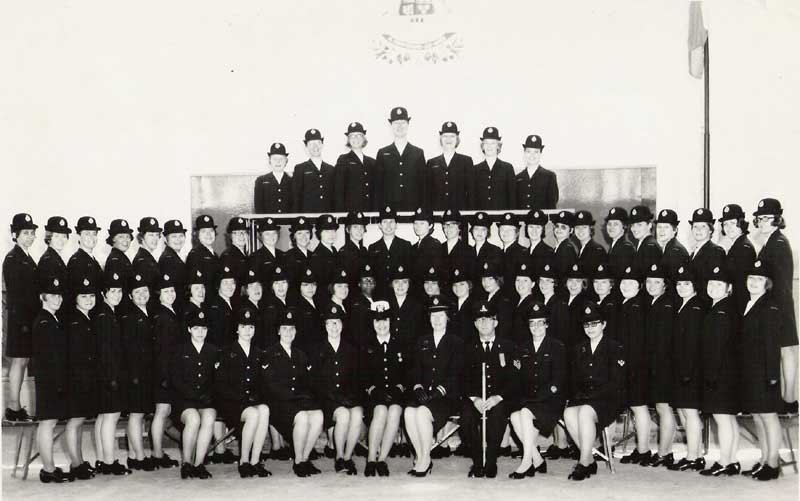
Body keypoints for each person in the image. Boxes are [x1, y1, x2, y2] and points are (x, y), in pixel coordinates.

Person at [739, 259, 795, 481]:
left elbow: (773, 346)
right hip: (751, 372)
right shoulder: (749, 303)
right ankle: (763, 459)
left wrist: (772, 376)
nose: (754, 282)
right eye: (751, 278)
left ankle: (773, 463)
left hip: (764, 373)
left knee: (768, 417)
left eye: (759, 279)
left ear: (767, 283)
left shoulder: (770, 307)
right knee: (757, 417)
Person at [563, 303, 625, 481]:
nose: (590, 328)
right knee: (568, 413)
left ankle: (583, 463)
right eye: (586, 325)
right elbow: (574, 379)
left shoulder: (615, 348)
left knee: (585, 412)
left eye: (594, 324)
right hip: (585, 398)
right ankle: (590, 459)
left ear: (604, 324)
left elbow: (616, 382)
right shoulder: (579, 348)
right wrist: (578, 396)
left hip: (607, 399)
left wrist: (591, 397)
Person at [404, 296, 464, 476]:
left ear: (447, 318)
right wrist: (417, 386)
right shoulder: (422, 341)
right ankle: (422, 456)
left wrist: (439, 391)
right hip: (424, 395)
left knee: (422, 413)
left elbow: (457, 374)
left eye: (441, 316)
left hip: (446, 397)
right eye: (433, 316)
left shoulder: (456, 342)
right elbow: (414, 369)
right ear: (429, 319)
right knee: (408, 412)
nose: (437, 320)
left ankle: (425, 459)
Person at [509, 302, 567, 478]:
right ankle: (538, 459)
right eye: (532, 323)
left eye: (540, 323)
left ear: (547, 324)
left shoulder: (557, 347)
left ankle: (527, 462)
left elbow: (558, 380)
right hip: (529, 400)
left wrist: (536, 399)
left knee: (525, 413)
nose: (536, 327)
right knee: (515, 416)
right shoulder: (522, 348)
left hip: (550, 400)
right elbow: (517, 378)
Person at [263, 310, 324, 477]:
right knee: (302, 417)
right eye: (284, 328)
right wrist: (294, 397)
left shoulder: (300, 354)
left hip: (299, 400)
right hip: (280, 403)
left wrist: (308, 398)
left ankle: (305, 458)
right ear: (278, 331)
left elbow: (308, 382)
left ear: (296, 332)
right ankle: (298, 462)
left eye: (291, 329)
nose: (288, 332)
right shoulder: (270, 354)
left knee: (318, 415)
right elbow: (270, 385)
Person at [461, 300, 518, 478]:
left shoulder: (509, 346)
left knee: (498, 415)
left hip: (500, 398)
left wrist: (497, 398)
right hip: (475, 398)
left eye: (488, 319)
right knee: (467, 416)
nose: (484, 323)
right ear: (475, 324)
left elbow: (514, 379)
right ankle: (478, 462)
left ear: (496, 322)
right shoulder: (467, 348)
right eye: (480, 320)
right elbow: (462, 378)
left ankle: (491, 461)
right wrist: (475, 398)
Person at [213, 307, 272, 478]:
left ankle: (255, 461)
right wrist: (242, 398)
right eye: (243, 326)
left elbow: (262, 383)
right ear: (237, 329)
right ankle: (244, 461)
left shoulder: (259, 353)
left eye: (251, 327)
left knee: (264, 409)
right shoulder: (226, 352)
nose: (247, 331)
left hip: (250, 401)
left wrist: (257, 397)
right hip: (231, 403)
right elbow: (220, 385)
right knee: (253, 414)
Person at [752, 197, 798, 413]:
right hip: (778, 306)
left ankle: (789, 400)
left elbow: (779, 283)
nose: (762, 223)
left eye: (767, 218)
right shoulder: (771, 242)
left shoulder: (777, 243)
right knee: (782, 352)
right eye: (759, 219)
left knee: (785, 352)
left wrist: (772, 310)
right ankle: (787, 400)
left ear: (777, 219)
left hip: (779, 306)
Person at [310, 304, 362, 475]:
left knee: (357, 414)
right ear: (325, 326)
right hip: (327, 399)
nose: (334, 327)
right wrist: (335, 397)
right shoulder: (317, 349)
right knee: (344, 414)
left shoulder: (351, 349)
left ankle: (348, 456)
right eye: (330, 323)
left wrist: (352, 397)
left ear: (342, 325)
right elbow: (315, 382)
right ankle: (339, 456)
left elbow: (356, 379)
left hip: (347, 397)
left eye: (337, 323)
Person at [700, 265, 741, 476]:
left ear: (729, 288)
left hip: (720, 374)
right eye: (711, 283)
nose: (713, 287)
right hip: (727, 373)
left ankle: (725, 461)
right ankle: (731, 460)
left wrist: (711, 375)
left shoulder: (722, 311)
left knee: (722, 418)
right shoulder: (722, 307)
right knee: (728, 418)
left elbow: (718, 347)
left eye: (718, 284)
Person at [170, 309, 219, 480]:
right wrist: (192, 395)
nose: (200, 332)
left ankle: (199, 464)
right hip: (184, 400)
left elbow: (217, 379)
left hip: (205, 400)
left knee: (209, 417)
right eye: (196, 328)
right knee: (193, 419)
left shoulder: (213, 350)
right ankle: (186, 463)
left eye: (204, 329)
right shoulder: (180, 350)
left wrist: (209, 396)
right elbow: (175, 379)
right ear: (189, 329)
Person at [361, 301, 407, 476]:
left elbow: (407, 372)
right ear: (372, 323)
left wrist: (399, 388)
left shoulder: (400, 343)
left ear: (390, 321)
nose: (381, 325)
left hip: (396, 394)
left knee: (394, 411)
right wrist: (374, 390)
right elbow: (361, 375)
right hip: (373, 395)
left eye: (385, 320)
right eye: (377, 321)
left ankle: (382, 460)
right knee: (380, 410)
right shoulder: (366, 345)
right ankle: (371, 459)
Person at [32, 276, 71, 483]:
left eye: (59, 296)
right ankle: (48, 469)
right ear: (42, 297)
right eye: (53, 295)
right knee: (47, 424)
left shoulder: (51, 319)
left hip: (52, 380)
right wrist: (57, 383)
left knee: (50, 422)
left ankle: (49, 467)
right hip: (49, 381)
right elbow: (49, 358)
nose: (58, 299)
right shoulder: (44, 321)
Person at [93, 270, 131, 475]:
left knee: (103, 416)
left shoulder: (107, 313)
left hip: (105, 374)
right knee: (111, 416)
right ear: (104, 293)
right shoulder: (105, 316)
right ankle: (109, 461)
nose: (117, 295)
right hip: (108, 375)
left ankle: (102, 459)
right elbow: (106, 350)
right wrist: (112, 378)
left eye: (119, 291)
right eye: (112, 291)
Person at [669, 265, 706, 471]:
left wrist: (687, 371)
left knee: (690, 413)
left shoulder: (695, 308)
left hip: (689, 370)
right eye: (679, 284)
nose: (682, 287)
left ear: (695, 286)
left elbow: (693, 343)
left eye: (686, 284)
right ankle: (696, 454)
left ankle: (693, 456)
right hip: (680, 368)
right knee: (683, 412)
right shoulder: (683, 305)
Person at [3, 213, 39, 421]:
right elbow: (17, 294)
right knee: (18, 361)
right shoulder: (13, 259)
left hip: (27, 318)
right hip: (20, 319)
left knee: (23, 361)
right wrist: (24, 323)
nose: (30, 237)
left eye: (32, 233)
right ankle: (13, 407)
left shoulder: (25, 257)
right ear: (15, 234)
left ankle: (15, 407)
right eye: (25, 233)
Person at [65, 276, 100, 480]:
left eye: (91, 296)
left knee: (79, 422)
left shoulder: (87, 318)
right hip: (77, 379)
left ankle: (78, 461)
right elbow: (75, 355)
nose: (89, 299)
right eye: (83, 296)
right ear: (75, 299)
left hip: (86, 378)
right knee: (75, 422)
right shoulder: (75, 321)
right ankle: (76, 463)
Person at [616, 265, 652, 466]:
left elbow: (636, 342)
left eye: (631, 283)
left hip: (635, 366)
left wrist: (628, 365)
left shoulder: (636, 306)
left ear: (639, 286)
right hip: (629, 365)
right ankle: (641, 449)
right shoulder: (628, 303)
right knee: (636, 407)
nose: (626, 286)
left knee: (639, 407)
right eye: (624, 282)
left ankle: (644, 450)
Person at [121, 273, 156, 470]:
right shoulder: (130, 316)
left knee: (140, 414)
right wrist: (134, 375)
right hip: (136, 373)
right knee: (136, 414)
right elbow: (129, 349)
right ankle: (140, 456)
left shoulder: (148, 312)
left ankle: (134, 455)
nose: (142, 295)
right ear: (130, 296)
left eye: (145, 291)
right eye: (137, 292)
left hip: (146, 372)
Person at [643, 263, 676, 468]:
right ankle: (665, 451)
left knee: (663, 408)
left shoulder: (666, 305)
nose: (652, 285)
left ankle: (664, 452)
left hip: (663, 365)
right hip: (655, 363)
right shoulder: (654, 302)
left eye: (657, 282)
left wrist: (656, 366)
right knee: (660, 407)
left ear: (665, 285)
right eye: (649, 281)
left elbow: (663, 341)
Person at [150, 272, 182, 469]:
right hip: (164, 373)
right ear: (159, 295)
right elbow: (161, 350)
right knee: (162, 412)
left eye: (172, 290)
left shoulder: (170, 312)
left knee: (165, 412)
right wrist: (164, 376)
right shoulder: (163, 316)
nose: (170, 294)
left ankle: (158, 452)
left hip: (169, 372)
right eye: (166, 291)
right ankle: (157, 453)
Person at [374, 106, 427, 211]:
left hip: (413, 208)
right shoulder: (383, 153)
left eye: (403, 122)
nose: (399, 126)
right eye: (396, 123)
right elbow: (378, 185)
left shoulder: (418, 153)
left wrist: (422, 208)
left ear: (408, 124)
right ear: (391, 125)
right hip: (389, 210)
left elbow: (423, 185)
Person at [427, 121, 475, 210]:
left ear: (457, 139)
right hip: (438, 211)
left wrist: (470, 214)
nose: (448, 139)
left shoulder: (466, 161)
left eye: (452, 136)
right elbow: (428, 192)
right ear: (441, 139)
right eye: (445, 136)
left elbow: (471, 191)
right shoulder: (431, 163)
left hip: (460, 212)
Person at [718, 204, 756, 312]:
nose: (729, 227)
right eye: (725, 224)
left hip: (740, 302)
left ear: (741, 224)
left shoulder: (744, 247)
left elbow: (741, 282)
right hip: (736, 300)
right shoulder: (737, 245)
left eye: (733, 223)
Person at [368, 206, 412, 298]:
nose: (388, 226)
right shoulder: (373, 248)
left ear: (396, 225)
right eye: (385, 222)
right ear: (379, 225)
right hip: (380, 295)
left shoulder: (406, 246)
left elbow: (409, 274)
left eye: (391, 222)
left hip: (400, 295)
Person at [687, 208, 726, 304]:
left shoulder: (716, 251)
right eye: (695, 226)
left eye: (703, 226)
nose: (698, 230)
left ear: (710, 230)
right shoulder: (693, 253)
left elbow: (714, 285)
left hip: (704, 304)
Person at [335, 122, 376, 212]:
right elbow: (339, 190)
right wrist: (341, 214)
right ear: (348, 140)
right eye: (352, 136)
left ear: (363, 138)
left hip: (370, 210)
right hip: (351, 211)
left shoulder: (372, 162)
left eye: (358, 135)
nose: (355, 138)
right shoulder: (343, 160)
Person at [292, 128, 335, 212]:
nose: (315, 146)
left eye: (318, 143)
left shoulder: (331, 169)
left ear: (322, 145)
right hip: (308, 216)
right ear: (306, 147)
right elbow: (296, 198)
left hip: (327, 216)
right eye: (311, 144)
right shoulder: (300, 169)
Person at [474, 127, 515, 210]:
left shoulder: (507, 168)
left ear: (498, 146)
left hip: (502, 216)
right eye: (486, 143)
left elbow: (512, 197)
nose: (489, 146)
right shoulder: (475, 169)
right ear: (483, 146)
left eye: (493, 143)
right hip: (481, 216)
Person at [514, 134, 558, 210]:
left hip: (542, 217)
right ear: (524, 153)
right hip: (522, 217)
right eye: (528, 151)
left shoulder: (549, 176)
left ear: (541, 154)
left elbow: (552, 204)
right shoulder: (517, 178)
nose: (532, 155)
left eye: (536, 152)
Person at [67, 216, 103, 307]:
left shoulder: (92, 260)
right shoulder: (76, 262)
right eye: (87, 234)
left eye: (94, 234)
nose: (92, 237)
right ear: (78, 236)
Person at [386, 264, 426, 345]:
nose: (400, 285)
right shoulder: (385, 304)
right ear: (392, 284)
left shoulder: (418, 305)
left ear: (409, 284)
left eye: (404, 282)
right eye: (396, 282)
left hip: (410, 349)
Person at [410, 208, 443, 300]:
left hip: (428, 294)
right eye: (415, 223)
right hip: (415, 294)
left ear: (430, 225)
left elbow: (436, 274)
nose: (418, 226)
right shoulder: (413, 247)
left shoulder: (434, 245)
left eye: (422, 223)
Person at [132, 217, 163, 311]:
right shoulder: (142, 261)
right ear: (142, 237)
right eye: (151, 235)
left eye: (157, 235)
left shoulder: (148, 258)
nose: (155, 239)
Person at [159, 219, 188, 316]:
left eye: (181, 236)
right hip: (177, 309)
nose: (178, 240)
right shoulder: (168, 259)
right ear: (166, 239)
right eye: (174, 236)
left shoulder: (175, 256)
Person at [254, 142, 293, 214]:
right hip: (267, 220)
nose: (278, 162)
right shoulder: (261, 181)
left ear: (286, 161)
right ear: (269, 161)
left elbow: (295, 206)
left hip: (288, 220)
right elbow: (259, 207)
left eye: (281, 159)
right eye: (275, 159)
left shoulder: (293, 181)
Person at [186, 215, 221, 294]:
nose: (208, 234)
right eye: (204, 231)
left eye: (211, 231)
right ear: (197, 234)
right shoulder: (195, 255)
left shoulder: (214, 255)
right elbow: (195, 287)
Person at [478, 262, 513, 341]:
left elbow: (504, 329)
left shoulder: (504, 301)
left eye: (490, 279)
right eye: (484, 279)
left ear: (498, 280)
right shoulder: (485, 298)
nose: (486, 283)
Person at [498, 212, 528, 302]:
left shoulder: (523, 252)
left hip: (515, 300)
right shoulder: (497, 253)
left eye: (510, 230)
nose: (505, 232)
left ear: (516, 233)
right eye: (502, 229)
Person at [262, 265, 295, 348]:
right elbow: (269, 336)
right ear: (272, 286)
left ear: (288, 284)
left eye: (283, 282)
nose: (280, 287)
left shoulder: (293, 303)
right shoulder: (268, 308)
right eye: (276, 283)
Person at [336, 211, 369, 290]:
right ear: (348, 230)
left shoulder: (364, 250)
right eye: (355, 227)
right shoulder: (344, 252)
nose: (359, 230)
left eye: (361, 227)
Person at [294, 267, 324, 354]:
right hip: (306, 352)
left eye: (313, 284)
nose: (310, 288)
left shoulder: (319, 303)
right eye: (306, 285)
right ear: (299, 287)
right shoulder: (296, 307)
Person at [206, 264, 236, 348]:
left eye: (232, 282)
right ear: (218, 284)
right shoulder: (215, 307)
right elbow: (217, 338)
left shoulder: (234, 304)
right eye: (225, 283)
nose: (230, 286)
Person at [440, 209, 474, 283]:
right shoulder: (438, 248)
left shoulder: (468, 250)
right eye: (445, 225)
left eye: (452, 225)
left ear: (459, 228)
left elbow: (471, 278)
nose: (448, 228)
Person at [654, 209, 689, 280]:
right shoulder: (667, 247)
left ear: (675, 230)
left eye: (666, 227)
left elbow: (672, 280)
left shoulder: (676, 251)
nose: (661, 231)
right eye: (659, 227)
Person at [349, 263, 378, 347]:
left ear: (375, 284)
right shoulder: (355, 304)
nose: (368, 283)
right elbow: (356, 333)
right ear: (359, 284)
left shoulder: (379, 301)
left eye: (371, 280)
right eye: (365, 280)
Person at [310, 214, 339, 299]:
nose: (331, 235)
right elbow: (321, 285)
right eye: (326, 231)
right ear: (319, 233)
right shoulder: (317, 256)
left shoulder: (334, 250)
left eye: (333, 231)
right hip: (326, 299)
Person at [249, 217, 283, 288]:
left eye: (274, 233)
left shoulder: (283, 255)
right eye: (267, 234)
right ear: (261, 236)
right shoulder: (255, 257)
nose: (271, 236)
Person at [574, 210, 607, 285]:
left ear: (590, 229)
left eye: (584, 227)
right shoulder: (581, 249)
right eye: (577, 227)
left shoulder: (597, 250)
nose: (580, 231)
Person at [37, 216, 70, 288]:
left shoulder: (55, 257)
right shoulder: (48, 261)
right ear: (49, 238)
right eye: (56, 236)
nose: (61, 240)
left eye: (64, 236)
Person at [220, 217, 250, 293]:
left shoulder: (245, 255)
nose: (241, 236)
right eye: (236, 233)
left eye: (244, 232)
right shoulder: (228, 256)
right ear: (230, 236)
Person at [629, 206, 662, 275]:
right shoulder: (643, 244)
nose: (634, 229)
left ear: (649, 225)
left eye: (639, 225)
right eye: (632, 225)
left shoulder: (650, 247)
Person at [510, 262, 537, 346]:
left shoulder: (533, 304)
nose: (520, 284)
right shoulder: (514, 302)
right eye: (518, 280)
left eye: (525, 280)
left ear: (533, 284)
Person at [284, 216, 314, 290]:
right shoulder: (287, 257)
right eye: (299, 233)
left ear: (310, 235)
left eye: (307, 233)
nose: (304, 237)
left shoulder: (314, 255)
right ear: (294, 236)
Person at [604, 207, 635, 279]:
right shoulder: (614, 246)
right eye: (609, 224)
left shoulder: (626, 248)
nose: (611, 227)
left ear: (624, 226)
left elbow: (621, 276)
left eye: (615, 224)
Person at [450, 266, 478, 342]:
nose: (458, 288)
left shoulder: (475, 305)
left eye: (462, 284)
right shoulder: (451, 305)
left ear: (469, 286)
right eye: (455, 285)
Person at [524, 209, 554, 276]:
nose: (534, 231)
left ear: (542, 230)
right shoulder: (525, 252)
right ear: (526, 229)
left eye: (538, 227)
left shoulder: (548, 252)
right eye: (531, 227)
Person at [549, 211, 578, 278]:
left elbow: (563, 275)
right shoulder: (560, 246)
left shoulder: (566, 248)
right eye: (557, 226)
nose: (559, 229)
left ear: (571, 230)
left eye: (563, 227)